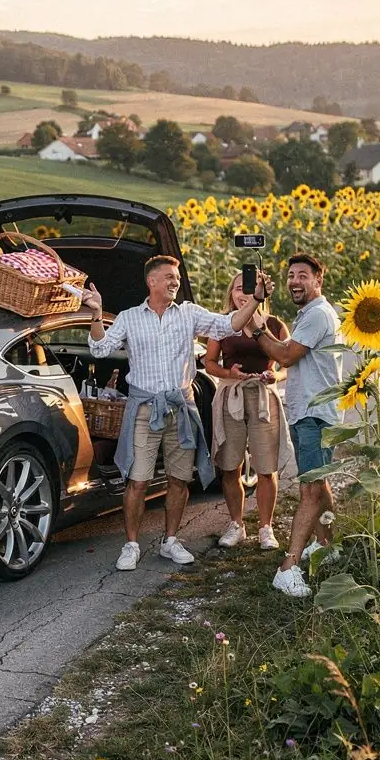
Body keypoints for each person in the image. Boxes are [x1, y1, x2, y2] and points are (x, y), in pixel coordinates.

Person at [82, 254, 273, 571]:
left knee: (180, 479)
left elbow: (230, 324)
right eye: (169, 276)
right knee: (137, 480)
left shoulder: (189, 314)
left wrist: (255, 300)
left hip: (181, 407)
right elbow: (99, 348)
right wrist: (97, 314)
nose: (175, 281)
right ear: (151, 281)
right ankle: (131, 545)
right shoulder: (129, 318)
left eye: (177, 277)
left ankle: (170, 541)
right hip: (144, 407)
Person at [252, 253, 343, 598]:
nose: (295, 281)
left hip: (314, 413)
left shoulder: (318, 314)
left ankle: (287, 567)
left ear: (319, 280)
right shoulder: (312, 313)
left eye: (303, 275)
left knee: (310, 489)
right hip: (315, 410)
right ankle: (325, 545)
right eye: (291, 275)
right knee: (319, 483)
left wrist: (256, 328)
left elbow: (286, 355)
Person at [204, 271, 292, 551]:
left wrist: (273, 377)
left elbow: (286, 365)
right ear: (231, 293)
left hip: (264, 397)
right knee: (230, 464)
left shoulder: (275, 324)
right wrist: (227, 372)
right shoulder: (222, 325)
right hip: (231, 394)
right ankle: (236, 524)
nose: (244, 293)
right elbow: (209, 362)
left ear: (263, 293)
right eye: (240, 288)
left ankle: (265, 527)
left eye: (251, 288)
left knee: (266, 466)